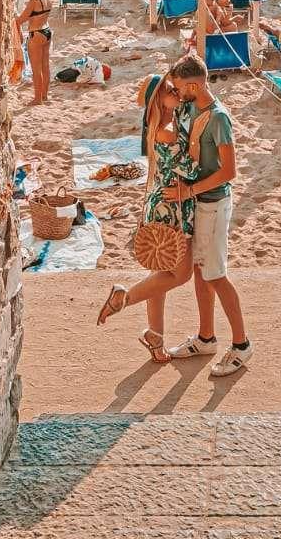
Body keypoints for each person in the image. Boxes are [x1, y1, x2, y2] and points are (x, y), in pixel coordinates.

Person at [95, 72, 199, 360]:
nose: (175, 91)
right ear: (159, 99)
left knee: (162, 271)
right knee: (181, 273)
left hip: (163, 201)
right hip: (173, 204)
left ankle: (155, 336)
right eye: (169, 89)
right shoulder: (167, 128)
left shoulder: (161, 123)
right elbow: (189, 169)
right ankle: (123, 299)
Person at [165, 53, 253, 376]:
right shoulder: (192, 107)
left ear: (194, 85)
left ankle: (242, 345)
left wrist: (189, 190)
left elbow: (229, 171)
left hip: (214, 202)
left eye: (181, 88)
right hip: (200, 202)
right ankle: (206, 337)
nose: (178, 93)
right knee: (202, 272)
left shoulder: (218, 117)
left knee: (215, 273)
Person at [14, 0, 53, 105]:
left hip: (36, 34)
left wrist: (14, 16)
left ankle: (37, 99)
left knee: (36, 69)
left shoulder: (34, 1)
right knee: (45, 66)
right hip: (47, 31)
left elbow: (20, 20)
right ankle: (44, 95)